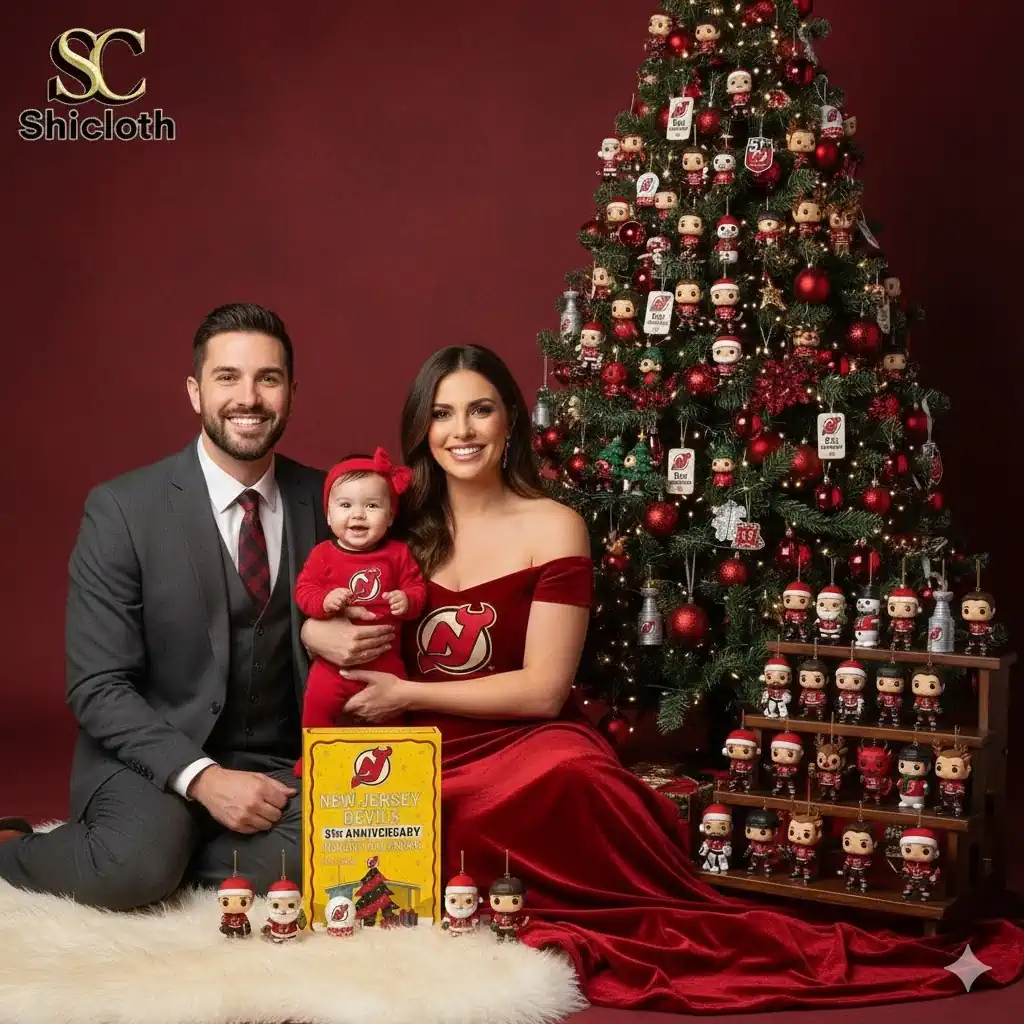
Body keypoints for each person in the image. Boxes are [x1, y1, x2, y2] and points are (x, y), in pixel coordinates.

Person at [300, 344, 1024, 1013]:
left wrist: (408, 691)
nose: (462, 429)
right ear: (420, 428)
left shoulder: (553, 525)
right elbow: (318, 603)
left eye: (481, 408)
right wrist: (316, 630)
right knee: (398, 811)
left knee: (573, 776)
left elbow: (543, 692)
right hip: (417, 745)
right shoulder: (394, 524)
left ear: (512, 419)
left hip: (518, 734)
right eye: (442, 412)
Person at [0, 303, 366, 909]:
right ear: (195, 391)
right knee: (135, 869)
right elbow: (97, 685)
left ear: (292, 393)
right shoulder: (122, 508)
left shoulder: (330, 501)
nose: (248, 398)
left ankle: (163, 850)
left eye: (267, 379)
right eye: (227, 377)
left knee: (350, 856)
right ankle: (29, 849)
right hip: (152, 758)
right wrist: (205, 780)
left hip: (283, 765)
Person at [292, 447, 427, 774]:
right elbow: (304, 591)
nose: (358, 515)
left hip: (385, 662)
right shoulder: (323, 554)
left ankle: (397, 765)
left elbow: (418, 588)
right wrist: (325, 602)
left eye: (371, 506)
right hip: (332, 667)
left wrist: (407, 600)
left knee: (393, 717)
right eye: (345, 505)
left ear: (391, 516)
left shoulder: (398, 554)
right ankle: (316, 757)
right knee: (317, 704)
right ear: (328, 514)